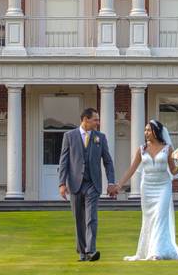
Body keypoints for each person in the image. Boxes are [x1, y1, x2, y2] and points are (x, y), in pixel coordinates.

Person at [113, 119, 178, 261]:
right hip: (147, 187)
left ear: (156, 131)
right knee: (149, 219)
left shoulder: (167, 148)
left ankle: (157, 252)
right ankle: (147, 250)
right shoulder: (142, 149)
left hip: (163, 186)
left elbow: (173, 171)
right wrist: (119, 185)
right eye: (145, 130)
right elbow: (132, 169)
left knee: (160, 216)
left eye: (149, 130)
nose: (146, 133)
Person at [57, 107, 117, 262]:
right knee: (78, 219)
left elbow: (108, 161)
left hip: (93, 183)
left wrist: (111, 182)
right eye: (95, 119)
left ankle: (91, 250)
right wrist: (62, 183)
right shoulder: (69, 136)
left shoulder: (100, 138)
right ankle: (82, 253)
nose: (98, 122)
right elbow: (63, 161)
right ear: (85, 119)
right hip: (75, 184)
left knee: (91, 218)